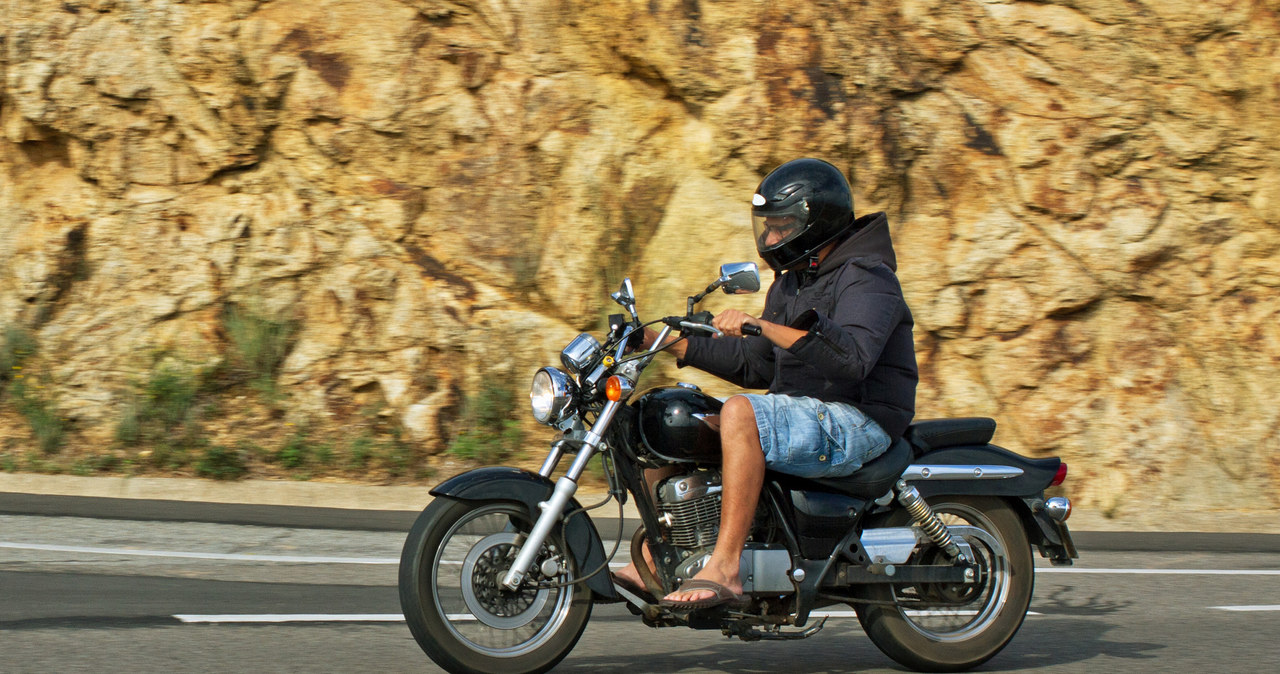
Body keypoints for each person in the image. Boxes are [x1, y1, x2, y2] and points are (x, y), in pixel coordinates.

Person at [614, 157, 918, 610]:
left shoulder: (868, 276)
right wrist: (666, 341)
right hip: (807, 412)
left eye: (781, 227)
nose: (770, 238)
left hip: (861, 421)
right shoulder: (792, 283)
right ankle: (659, 559)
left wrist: (762, 325)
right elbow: (755, 367)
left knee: (739, 412)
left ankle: (726, 568)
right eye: (768, 227)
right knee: (666, 417)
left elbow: (852, 360)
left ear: (815, 223)